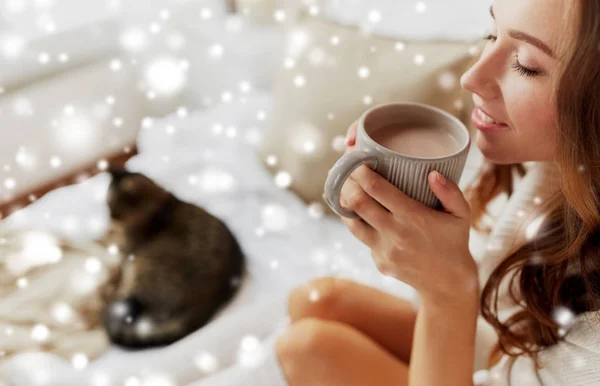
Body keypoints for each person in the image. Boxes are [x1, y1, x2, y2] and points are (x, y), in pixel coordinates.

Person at [241, 0, 600, 385]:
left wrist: (446, 293)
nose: (471, 77)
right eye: (492, 34)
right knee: (319, 300)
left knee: (308, 350)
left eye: (526, 64)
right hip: (509, 342)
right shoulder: (548, 159)